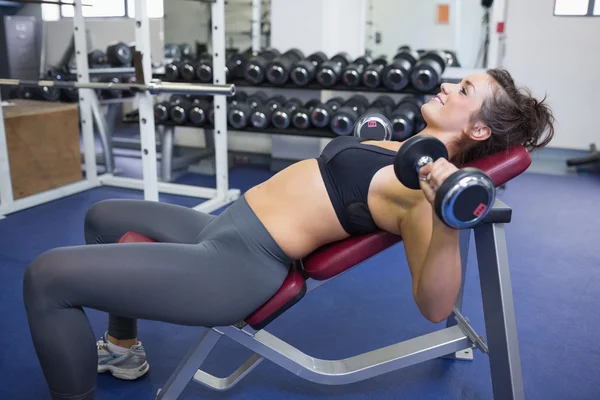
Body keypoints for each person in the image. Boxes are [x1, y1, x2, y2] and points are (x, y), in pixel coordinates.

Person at [23, 68, 554, 400]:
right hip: (224, 225)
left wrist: (443, 212)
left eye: (463, 90)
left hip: (236, 264)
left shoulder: (421, 188)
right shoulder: (407, 150)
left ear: (478, 129)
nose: (446, 84)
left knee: (47, 277)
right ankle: (122, 347)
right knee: (105, 217)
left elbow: (436, 308)